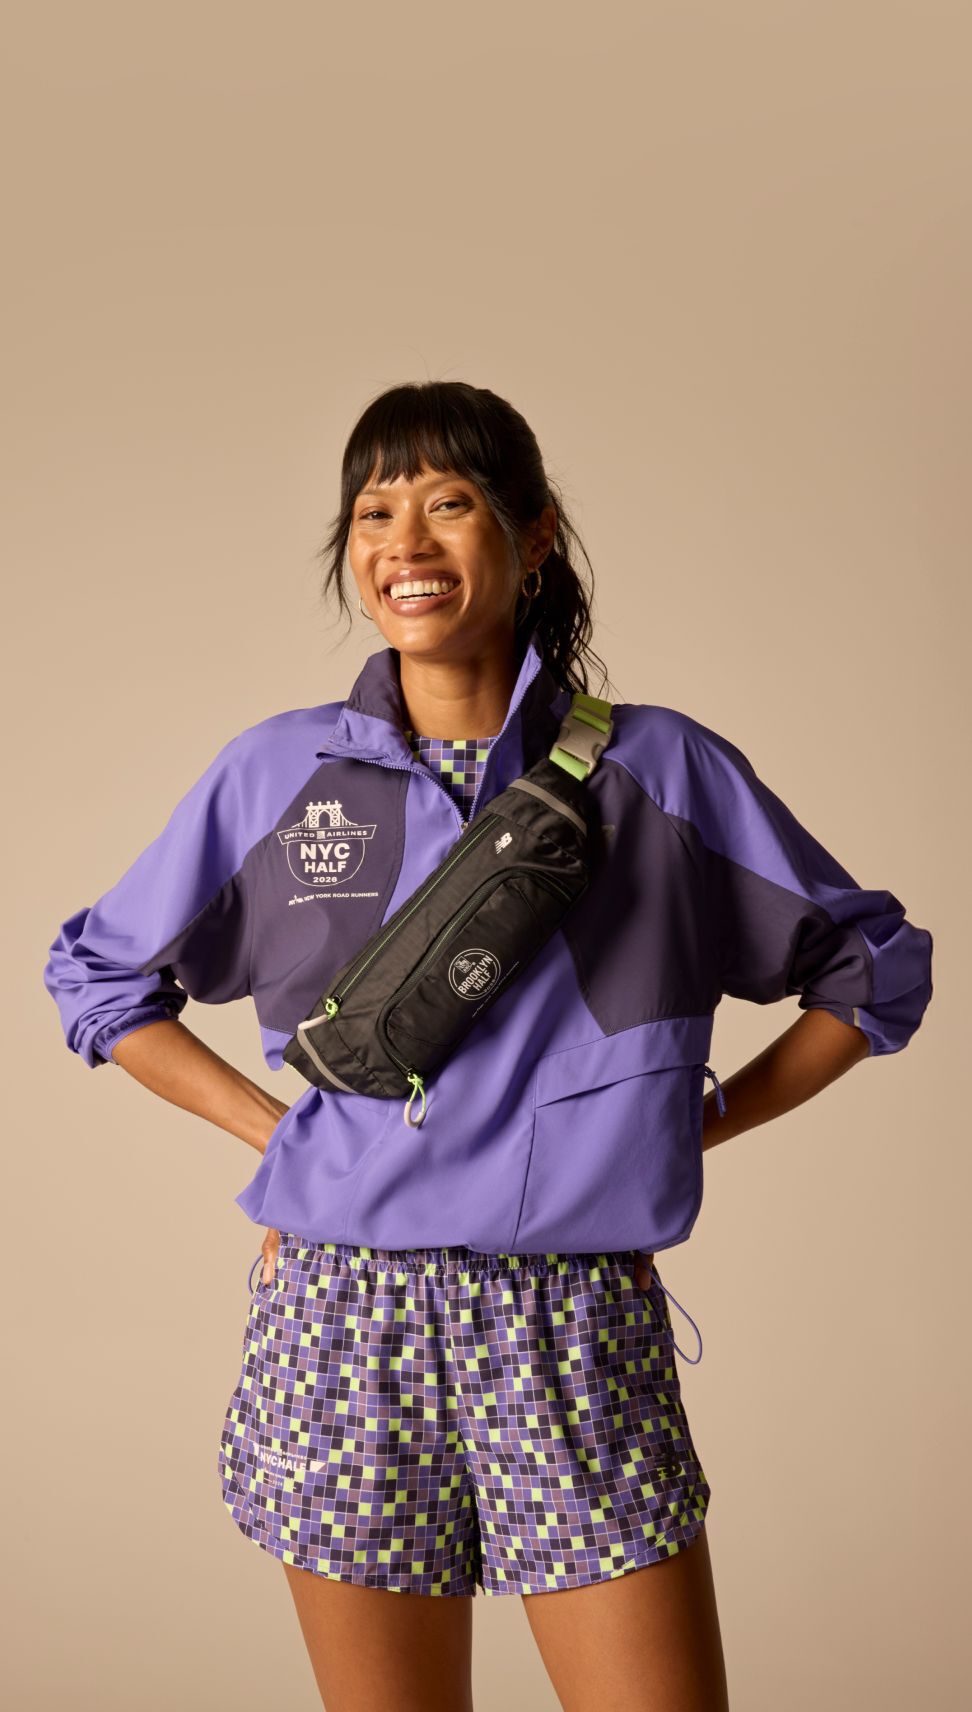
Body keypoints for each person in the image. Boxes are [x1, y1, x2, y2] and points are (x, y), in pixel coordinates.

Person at [44, 380, 933, 1712]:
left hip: (572, 1317)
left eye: (448, 503)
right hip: (345, 1321)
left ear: (534, 536)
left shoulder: (659, 773)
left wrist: (695, 1123)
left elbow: (871, 970)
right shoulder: (279, 775)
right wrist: (276, 1134)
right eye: (373, 510)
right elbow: (98, 976)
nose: (404, 542)